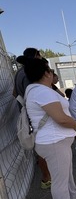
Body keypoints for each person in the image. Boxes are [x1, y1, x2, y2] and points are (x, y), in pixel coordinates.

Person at [19, 56, 76, 199]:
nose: (52, 74)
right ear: (46, 73)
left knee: (66, 172)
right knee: (59, 179)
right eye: (50, 70)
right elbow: (61, 118)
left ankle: (72, 193)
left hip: (55, 140)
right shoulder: (42, 91)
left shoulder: (37, 89)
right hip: (53, 141)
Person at [13, 48, 51, 189]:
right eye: (39, 55)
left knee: (39, 146)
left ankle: (47, 175)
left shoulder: (18, 73)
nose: (41, 57)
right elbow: (37, 96)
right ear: (35, 56)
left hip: (27, 113)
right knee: (42, 146)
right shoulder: (30, 73)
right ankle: (47, 177)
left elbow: (14, 93)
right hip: (36, 115)